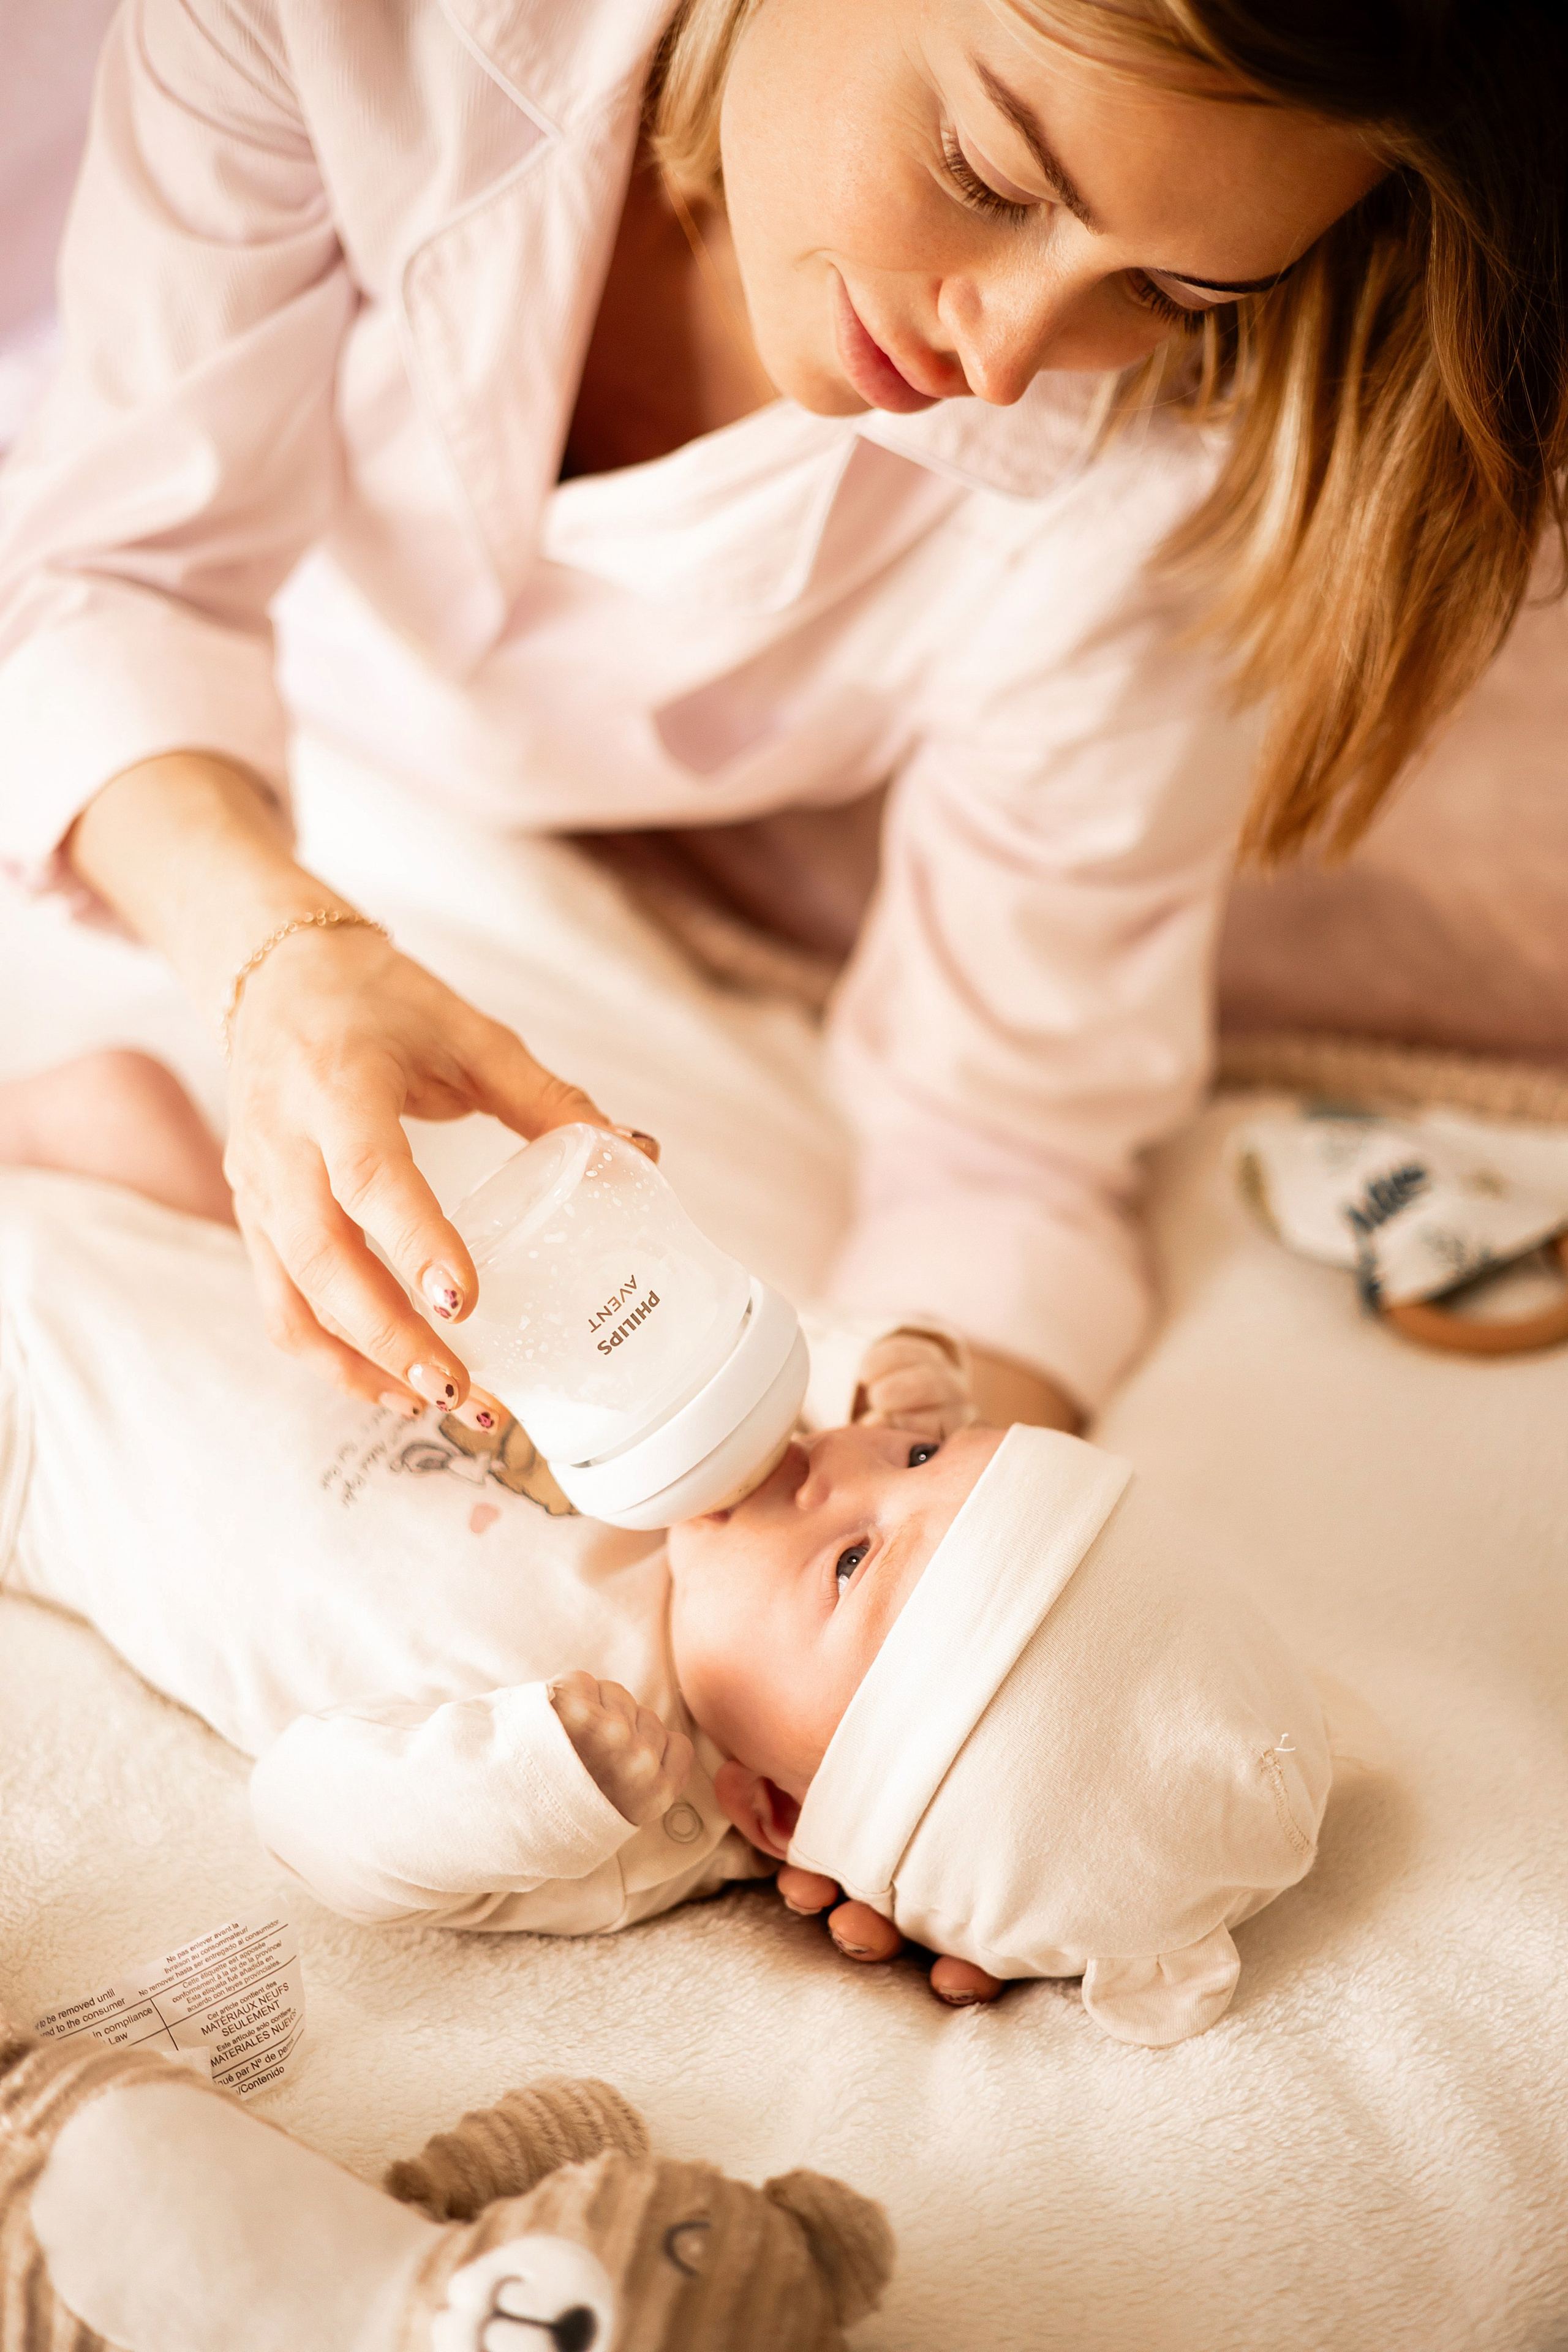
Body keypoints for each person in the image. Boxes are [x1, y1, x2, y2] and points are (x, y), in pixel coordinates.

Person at [4, 0, 1562, 1450]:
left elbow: (1010, 1137)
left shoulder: (1145, 510)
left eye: (1162, 290)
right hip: (154, 737)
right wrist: (271, 951)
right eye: (984, 172)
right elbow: (107, 575)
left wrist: (915, 1433)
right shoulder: (357, 30)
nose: (1003, 359)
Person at [0, 1050, 1353, 2044]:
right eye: (929, 1460)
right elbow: (764, 1350)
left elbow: (308, 1819)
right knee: (124, 1100)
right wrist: (892, 1363)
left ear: (773, 1811)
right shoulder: (767, 1476)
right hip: (223, 1265)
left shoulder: (628, 1818)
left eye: (851, 1564)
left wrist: (533, 1778)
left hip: (49, 1443)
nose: (844, 1466)